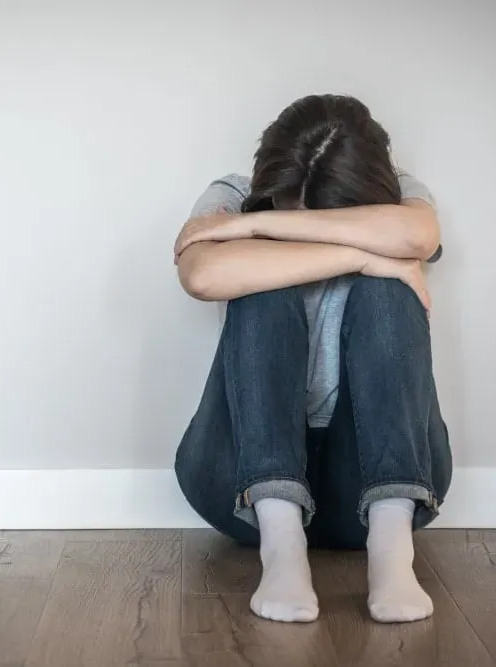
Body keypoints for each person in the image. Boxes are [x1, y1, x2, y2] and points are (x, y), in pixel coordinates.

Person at [172, 94, 452, 624]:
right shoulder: (234, 194)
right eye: (284, 212)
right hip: (239, 488)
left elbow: (418, 235)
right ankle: (282, 551)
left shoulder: (403, 196)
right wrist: (365, 255)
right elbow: (203, 276)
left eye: (321, 217)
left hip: (370, 485)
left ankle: (393, 553)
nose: (291, 220)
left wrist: (258, 231)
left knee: (388, 294)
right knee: (262, 284)